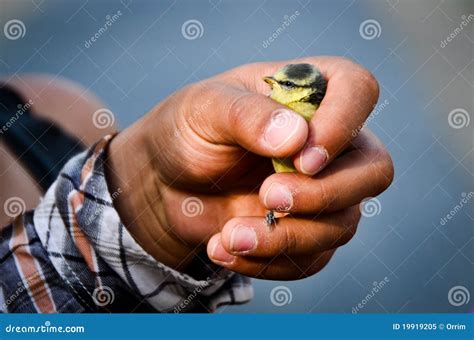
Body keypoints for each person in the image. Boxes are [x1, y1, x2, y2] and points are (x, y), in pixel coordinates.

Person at [0, 56, 394, 313]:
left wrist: (148, 213)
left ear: (303, 94)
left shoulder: (53, 109)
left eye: (284, 87)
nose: (271, 85)